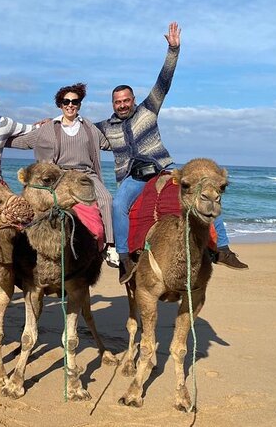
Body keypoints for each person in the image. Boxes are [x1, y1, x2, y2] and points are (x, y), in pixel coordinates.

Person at [95, 22, 248, 280]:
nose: (122, 105)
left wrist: (173, 50)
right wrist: (50, 123)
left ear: (133, 100)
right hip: (132, 180)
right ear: (113, 104)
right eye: (117, 102)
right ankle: (123, 258)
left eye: (126, 100)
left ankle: (222, 248)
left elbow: (164, 81)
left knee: (202, 193)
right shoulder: (105, 128)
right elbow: (80, 132)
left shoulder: (148, 109)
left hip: (162, 171)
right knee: (118, 204)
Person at [7, 83, 117, 263]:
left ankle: (109, 246)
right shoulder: (49, 128)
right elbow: (24, 142)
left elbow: (108, 143)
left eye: (75, 101)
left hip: (86, 175)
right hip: (61, 177)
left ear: (79, 104)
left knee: (106, 199)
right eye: (66, 101)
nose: (70, 105)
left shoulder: (89, 128)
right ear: (60, 104)